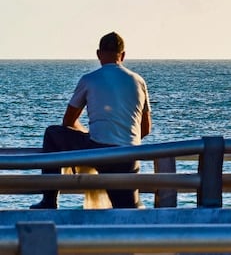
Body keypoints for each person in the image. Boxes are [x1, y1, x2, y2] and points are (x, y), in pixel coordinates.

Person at [32, 31, 152, 209]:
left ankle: (49, 200)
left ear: (98, 54)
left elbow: (68, 121)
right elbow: (146, 128)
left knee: (52, 133)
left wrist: (90, 135)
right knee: (128, 211)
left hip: (98, 151)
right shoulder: (138, 81)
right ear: (123, 55)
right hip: (128, 157)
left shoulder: (89, 80)